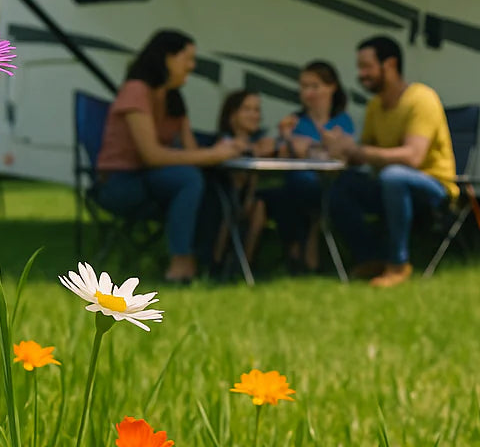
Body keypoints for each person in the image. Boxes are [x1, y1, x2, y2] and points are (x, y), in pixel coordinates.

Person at [95, 29, 244, 283]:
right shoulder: (136, 90)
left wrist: (232, 147)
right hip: (119, 183)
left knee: (211, 182)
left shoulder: (173, 96)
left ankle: (214, 261)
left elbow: (191, 150)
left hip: (149, 179)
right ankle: (180, 264)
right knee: (187, 178)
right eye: (187, 59)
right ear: (166, 58)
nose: (192, 66)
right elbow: (151, 155)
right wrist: (212, 154)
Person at [321, 36, 456, 288]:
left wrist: (358, 151)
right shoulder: (375, 106)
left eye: (366, 67)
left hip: (433, 186)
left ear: (390, 65)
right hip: (388, 183)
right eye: (360, 68)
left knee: (393, 176)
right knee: (342, 185)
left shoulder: (421, 99)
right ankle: (369, 257)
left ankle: (398, 264)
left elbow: (413, 157)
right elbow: (365, 152)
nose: (361, 75)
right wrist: (339, 148)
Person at [268, 61, 355, 274]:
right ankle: (303, 250)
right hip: (298, 185)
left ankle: (301, 250)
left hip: (332, 185)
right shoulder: (294, 122)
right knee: (287, 190)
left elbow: (345, 155)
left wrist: (309, 147)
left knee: (302, 186)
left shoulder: (342, 121)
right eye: (303, 87)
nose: (308, 93)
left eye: (314, 86)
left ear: (332, 87)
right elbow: (283, 156)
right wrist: (286, 138)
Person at [211, 89, 276, 268]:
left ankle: (245, 266)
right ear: (232, 115)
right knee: (229, 208)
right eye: (247, 109)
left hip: (247, 201)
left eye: (257, 110)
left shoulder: (260, 144)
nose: (254, 115)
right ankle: (216, 264)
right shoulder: (223, 143)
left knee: (259, 208)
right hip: (219, 203)